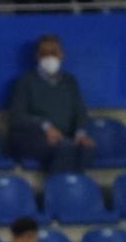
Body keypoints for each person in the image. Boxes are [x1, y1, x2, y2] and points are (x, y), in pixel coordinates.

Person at [8, 34, 94, 174]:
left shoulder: (69, 81)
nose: (49, 58)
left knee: (86, 148)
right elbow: (17, 116)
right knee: (65, 147)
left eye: (54, 53)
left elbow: (80, 112)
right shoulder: (25, 82)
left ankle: (75, 184)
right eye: (44, 54)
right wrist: (45, 127)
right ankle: (58, 186)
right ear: (37, 56)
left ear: (61, 55)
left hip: (63, 136)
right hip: (30, 137)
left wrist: (80, 133)